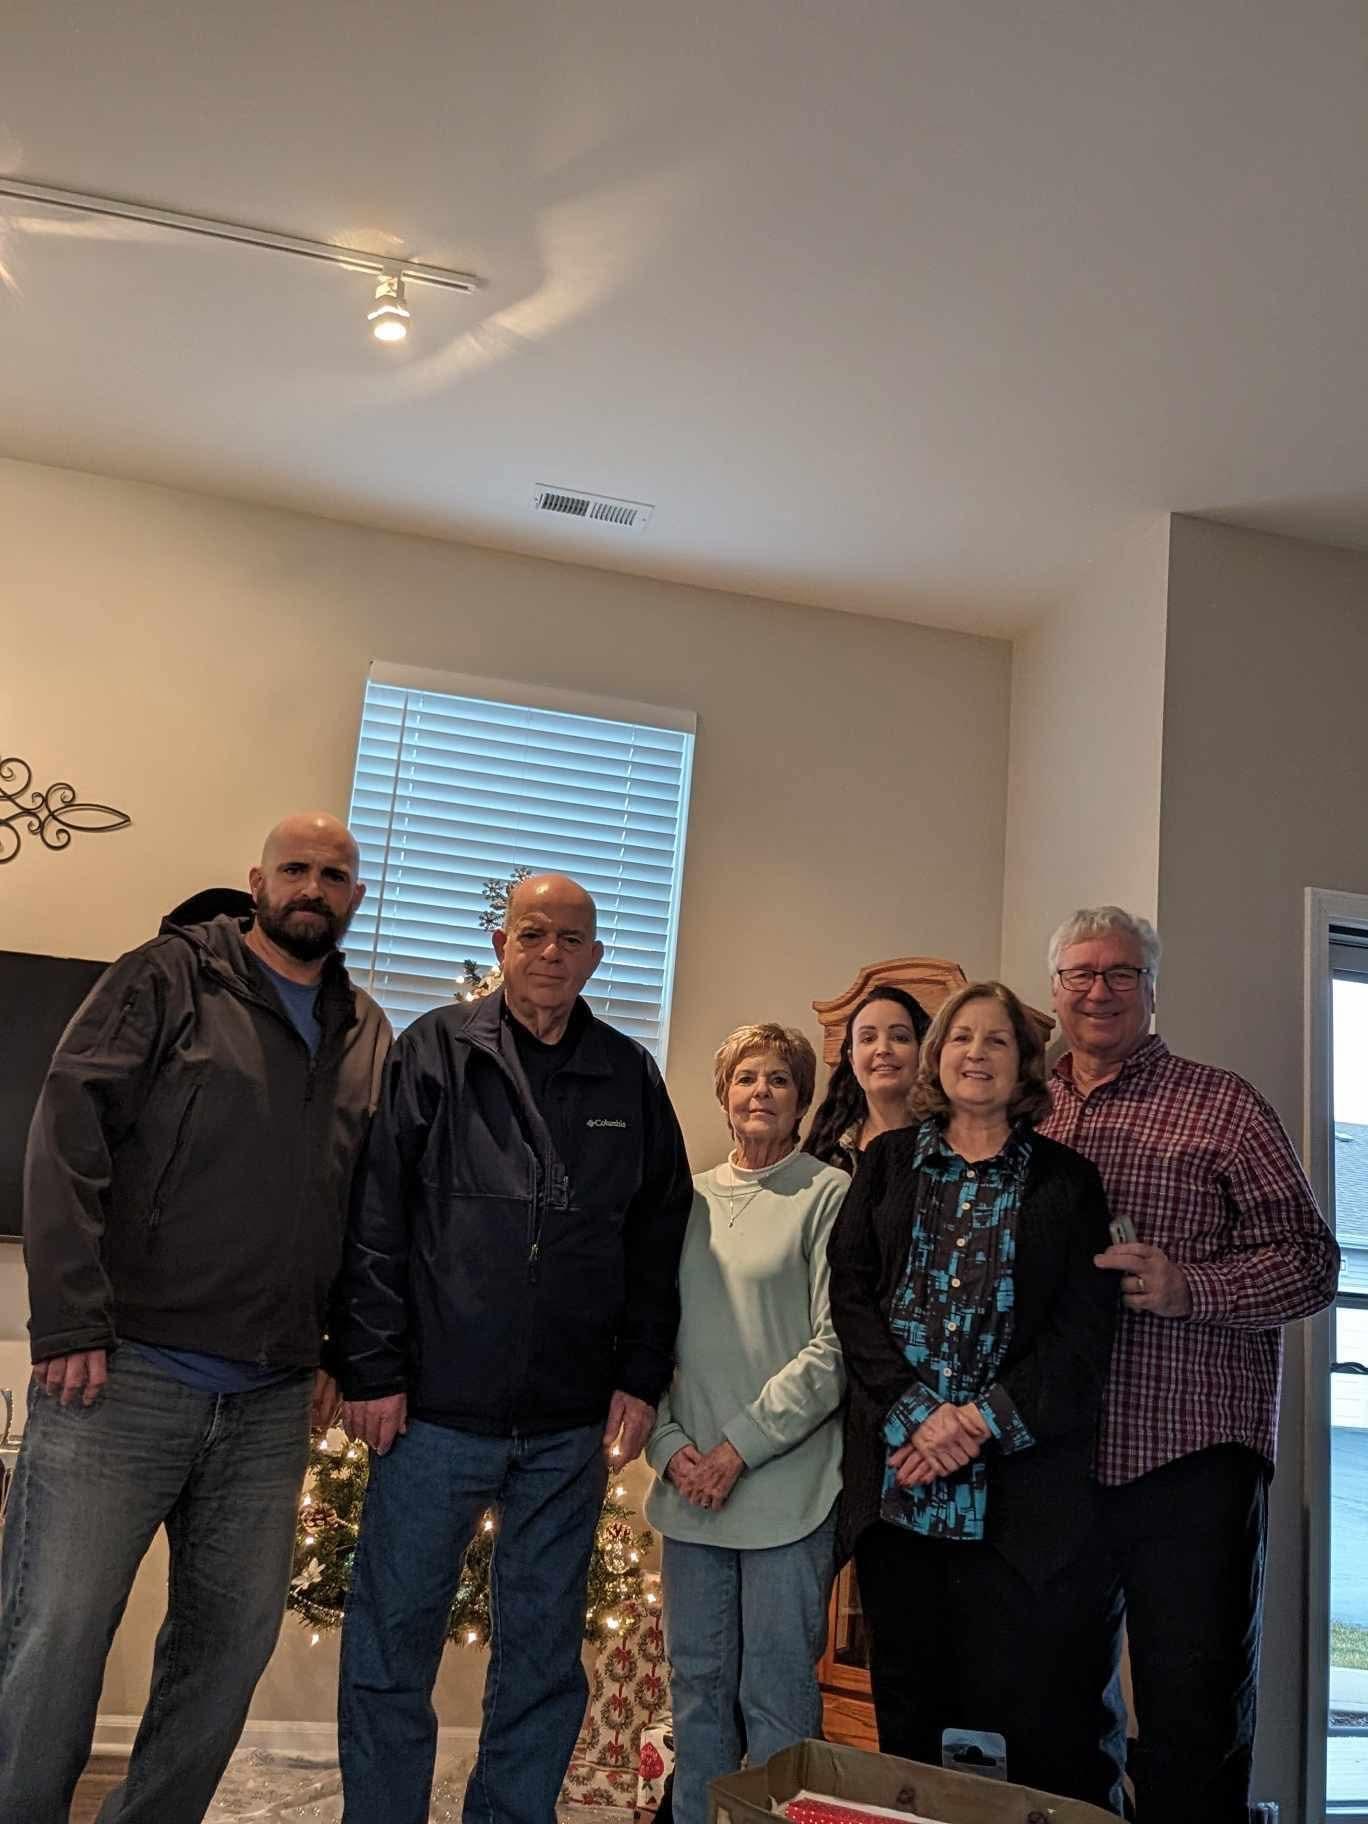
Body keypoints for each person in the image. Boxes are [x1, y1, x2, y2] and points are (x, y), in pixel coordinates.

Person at [0, 813, 390, 1824]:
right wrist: (72, 1322)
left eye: (335, 874)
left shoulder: (367, 1032)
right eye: (296, 868)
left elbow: (366, 1208)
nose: (314, 886)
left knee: (227, 1653)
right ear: (257, 880)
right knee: (56, 1636)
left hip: (266, 1405)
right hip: (120, 1376)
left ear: (355, 895)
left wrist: (336, 1349)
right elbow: (66, 1133)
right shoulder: (165, 979)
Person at [334, 872, 693, 1824]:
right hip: (430, 1417)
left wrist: (640, 1376)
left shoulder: (628, 1076)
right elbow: (376, 1219)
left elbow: (660, 1240)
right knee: (390, 1647)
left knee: (540, 1660)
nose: (550, 953)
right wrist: (371, 1369)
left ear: (596, 958)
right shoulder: (434, 1051)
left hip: (567, 1425)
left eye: (571, 939)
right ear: (503, 944)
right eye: (533, 933)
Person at [1040, 906, 1340, 1824]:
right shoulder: (1022, 1106)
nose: (1099, 990)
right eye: (1080, 973)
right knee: (1055, 1713)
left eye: (1121, 973)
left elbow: (1311, 1263)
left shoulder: (1225, 1105)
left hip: (1192, 1452)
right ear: (1053, 990)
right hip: (1051, 1457)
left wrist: (1189, 1288)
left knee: (1194, 1716)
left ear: (1152, 989)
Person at [828, 981, 1124, 1811]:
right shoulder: (886, 1164)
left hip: (1020, 1503)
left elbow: (1082, 1331)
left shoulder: (1069, 1182)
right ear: (938, 1056)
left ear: (1025, 1063)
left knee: (1017, 1719)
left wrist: (977, 1422)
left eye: (996, 1041)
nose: (976, 1055)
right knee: (910, 1716)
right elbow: (850, 1298)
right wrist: (920, 1417)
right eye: (961, 1038)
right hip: (900, 1492)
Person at [645, 1023, 847, 1824]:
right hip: (690, 1492)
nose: (761, 1091)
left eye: (779, 1080)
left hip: (786, 1493)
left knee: (777, 1700)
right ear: (724, 1096)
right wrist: (670, 1450)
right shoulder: (681, 1198)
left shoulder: (827, 1193)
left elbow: (834, 1350)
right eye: (746, 1078)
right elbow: (646, 1336)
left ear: (801, 1100)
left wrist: (738, 1449)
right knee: (696, 1696)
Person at [805, 985, 931, 1172]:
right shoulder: (826, 1155)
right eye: (868, 1038)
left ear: (922, 1052)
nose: (883, 1049)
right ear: (852, 1060)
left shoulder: (946, 1147)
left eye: (900, 1037)